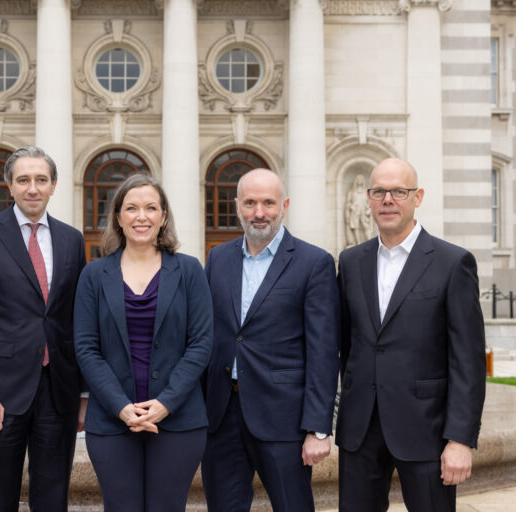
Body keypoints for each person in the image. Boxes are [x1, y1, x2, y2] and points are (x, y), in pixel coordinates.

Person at [336, 157, 486, 511]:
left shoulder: (452, 263)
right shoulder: (351, 261)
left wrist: (460, 440)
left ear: (417, 197)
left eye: (398, 191)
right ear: (368, 199)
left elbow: (468, 360)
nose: (388, 200)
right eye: (379, 192)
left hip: (427, 431)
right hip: (360, 431)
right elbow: (344, 344)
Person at [0, 146, 87, 511]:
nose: (33, 188)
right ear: (9, 186)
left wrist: (83, 395)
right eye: (24, 180)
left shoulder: (71, 240)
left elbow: (78, 321)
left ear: (54, 185)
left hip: (58, 394)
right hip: (1, 396)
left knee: (52, 500)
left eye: (41, 180)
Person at [201, 168, 340, 511]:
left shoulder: (314, 263)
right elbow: (210, 335)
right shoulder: (218, 258)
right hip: (222, 415)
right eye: (250, 203)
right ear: (237, 206)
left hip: (284, 419)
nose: (259, 212)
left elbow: (323, 351)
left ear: (285, 205)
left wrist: (318, 428)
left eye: (267, 202)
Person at [74, 173, 213, 512]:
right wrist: (120, 407)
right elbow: (86, 348)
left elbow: (201, 343)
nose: (141, 216)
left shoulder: (189, 270)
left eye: (151, 208)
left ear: (163, 216)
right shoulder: (94, 274)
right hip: (111, 422)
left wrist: (166, 403)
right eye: (132, 208)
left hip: (178, 421)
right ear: (119, 217)